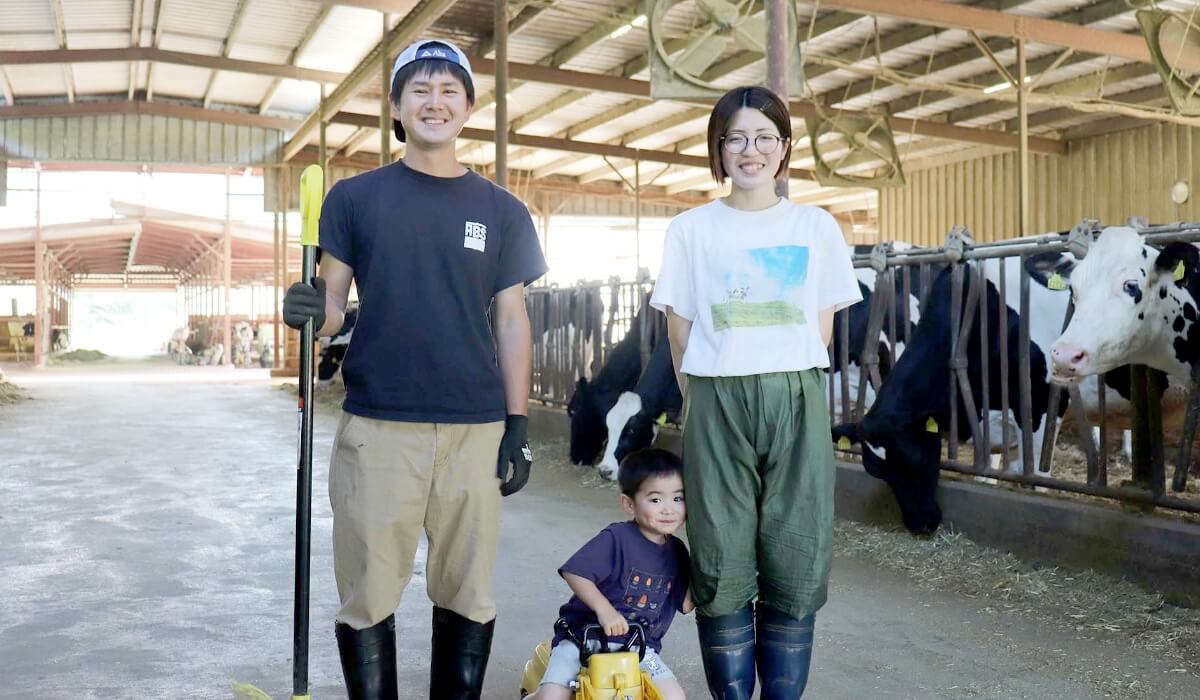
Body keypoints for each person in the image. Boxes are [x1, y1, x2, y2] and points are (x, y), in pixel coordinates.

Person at [281, 38, 547, 700]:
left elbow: (512, 320)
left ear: (469, 107)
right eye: (419, 91)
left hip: (474, 428)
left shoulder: (503, 211)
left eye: (449, 90)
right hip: (379, 425)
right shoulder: (356, 198)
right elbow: (336, 301)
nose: (435, 102)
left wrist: (518, 423)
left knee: (467, 591)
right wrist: (312, 310)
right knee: (369, 591)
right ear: (396, 107)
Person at [649, 85, 863, 698]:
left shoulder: (814, 225)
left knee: (797, 546)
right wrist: (697, 394)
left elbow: (821, 323)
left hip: (796, 391)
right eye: (736, 138)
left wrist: (792, 372)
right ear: (718, 149)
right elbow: (679, 323)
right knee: (719, 546)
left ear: (784, 147)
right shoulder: (692, 228)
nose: (751, 150)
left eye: (764, 137)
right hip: (716, 393)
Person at [526, 448, 692, 700]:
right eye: (656, 500)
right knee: (552, 696)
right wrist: (605, 610)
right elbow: (576, 573)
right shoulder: (617, 538)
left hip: (640, 648)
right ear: (629, 504)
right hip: (583, 639)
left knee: (674, 697)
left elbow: (686, 603)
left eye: (678, 499)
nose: (669, 509)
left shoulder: (678, 551)